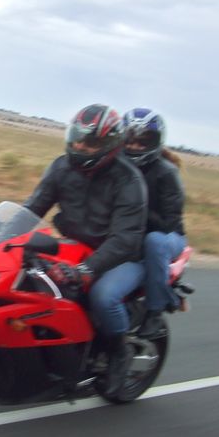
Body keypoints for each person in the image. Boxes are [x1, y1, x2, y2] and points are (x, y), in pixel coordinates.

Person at [24, 103, 147, 397]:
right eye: (77, 138)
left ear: (110, 144)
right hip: (76, 247)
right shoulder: (61, 167)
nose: (79, 145)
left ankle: (118, 353)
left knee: (103, 297)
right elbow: (32, 209)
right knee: (29, 278)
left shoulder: (129, 180)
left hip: (122, 256)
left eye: (89, 142)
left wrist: (86, 269)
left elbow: (124, 239)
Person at [123, 108, 186, 339]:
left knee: (155, 242)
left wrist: (137, 209)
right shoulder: (118, 165)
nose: (135, 146)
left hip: (168, 237)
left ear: (155, 142)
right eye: (130, 140)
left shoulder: (166, 173)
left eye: (143, 141)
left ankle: (155, 311)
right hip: (128, 232)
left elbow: (170, 222)